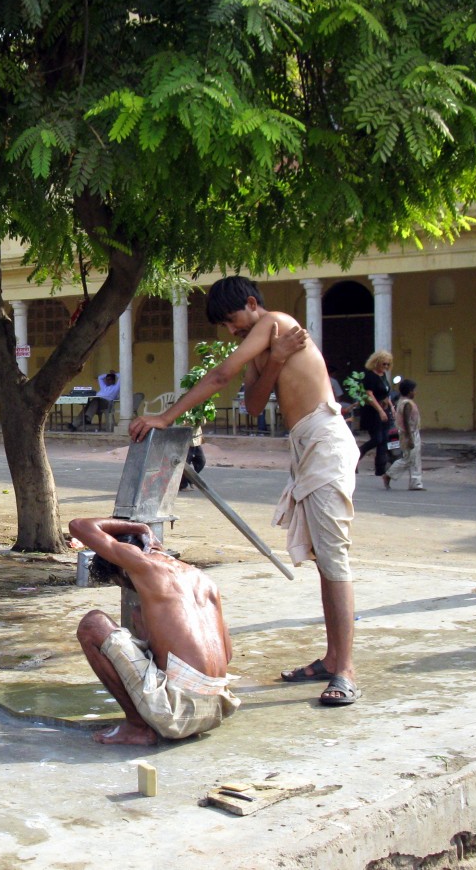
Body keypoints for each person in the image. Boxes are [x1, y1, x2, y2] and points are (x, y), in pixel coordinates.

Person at [129, 275, 361, 707]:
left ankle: (345, 669)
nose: (231, 332)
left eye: (232, 322)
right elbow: (254, 404)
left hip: (325, 440)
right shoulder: (269, 344)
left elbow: (221, 375)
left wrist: (166, 416)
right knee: (323, 558)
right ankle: (332, 659)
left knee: (334, 556)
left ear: (252, 304)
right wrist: (274, 361)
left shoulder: (275, 323)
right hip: (304, 445)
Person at [69, 516, 239, 745]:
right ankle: (156, 710)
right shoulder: (203, 579)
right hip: (217, 708)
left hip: (176, 714)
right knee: (140, 615)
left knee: (93, 624)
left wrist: (140, 527)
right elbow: (227, 654)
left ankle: (137, 727)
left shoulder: (142, 563)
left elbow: (79, 526)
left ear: (123, 567)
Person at [355, 351, 394, 478]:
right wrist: (380, 411)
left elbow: (385, 394)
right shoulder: (370, 376)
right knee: (377, 439)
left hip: (384, 409)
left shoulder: (383, 375)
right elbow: (369, 395)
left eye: (388, 364)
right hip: (373, 411)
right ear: (377, 362)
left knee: (384, 440)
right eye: (384, 364)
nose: (386, 366)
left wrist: (391, 407)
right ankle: (355, 456)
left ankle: (380, 470)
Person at [382, 379, 424, 491]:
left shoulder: (403, 401)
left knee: (415, 459)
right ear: (409, 391)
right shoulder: (407, 404)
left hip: (412, 432)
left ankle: (416, 483)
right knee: (409, 459)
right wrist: (410, 438)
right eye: (414, 390)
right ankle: (389, 475)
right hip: (409, 433)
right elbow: (406, 421)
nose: (415, 393)